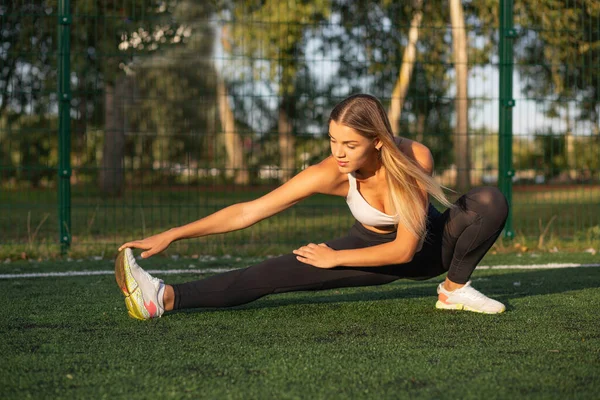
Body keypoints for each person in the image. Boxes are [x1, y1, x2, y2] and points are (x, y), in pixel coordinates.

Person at [115, 94, 509, 320]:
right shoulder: (331, 172)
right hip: (370, 251)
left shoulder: (411, 158)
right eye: (332, 140)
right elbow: (250, 210)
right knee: (268, 273)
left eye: (349, 145)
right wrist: (174, 233)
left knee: (488, 201)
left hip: (429, 246)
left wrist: (333, 259)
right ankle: (162, 298)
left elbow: (406, 250)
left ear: (376, 141)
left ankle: (454, 290)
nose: (338, 153)